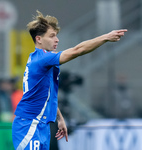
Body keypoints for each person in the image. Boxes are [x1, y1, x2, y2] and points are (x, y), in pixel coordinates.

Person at [12, 10, 127, 150]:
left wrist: (59, 118)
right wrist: (105, 37)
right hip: (29, 124)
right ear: (39, 39)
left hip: (41, 125)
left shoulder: (40, 59)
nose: (57, 40)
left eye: (56, 36)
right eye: (52, 36)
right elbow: (77, 50)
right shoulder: (43, 59)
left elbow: (48, 95)